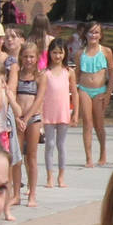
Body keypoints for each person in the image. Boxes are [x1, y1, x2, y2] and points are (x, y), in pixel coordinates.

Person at [74, 22, 113, 167]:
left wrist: (108, 93)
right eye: (91, 32)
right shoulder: (80, 53)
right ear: (85, 34)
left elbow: (111, 73)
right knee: (87, 123)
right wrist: (74, 91)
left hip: (100, 91)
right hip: (84, 89)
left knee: (99, 124)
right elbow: (77, 74)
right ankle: (88, 157)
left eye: (96, 32)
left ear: (101, 35)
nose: (93, 35)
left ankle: (103, 153)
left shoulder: (106, 52)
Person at [12, 39, 44, 207]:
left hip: (33, 118)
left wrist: (26, 118)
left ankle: (32, 193)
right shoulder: (17, 74)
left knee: (31, 156)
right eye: (25, 56)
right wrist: (18, 118)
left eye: (32, 56)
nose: (29, 60)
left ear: (37, 57)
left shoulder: (40, 76)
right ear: (21, 57)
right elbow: (12, 95)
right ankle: (16, 193)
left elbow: (39, 100)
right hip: (18, 119)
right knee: (16, 158)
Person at [40, 38, 73, 188]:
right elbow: (40, 96)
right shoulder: (45, 73)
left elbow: (75, 93)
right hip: (48, 113)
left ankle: (61, 176)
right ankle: (49, 177)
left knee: (61, 144)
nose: (57, 56)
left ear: (65, 54)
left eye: (60, 53)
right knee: (50, 144)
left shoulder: (69, 72)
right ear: (50, 54)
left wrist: (76, 111)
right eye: (54, 52)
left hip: (63, 112)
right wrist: (40, 115)